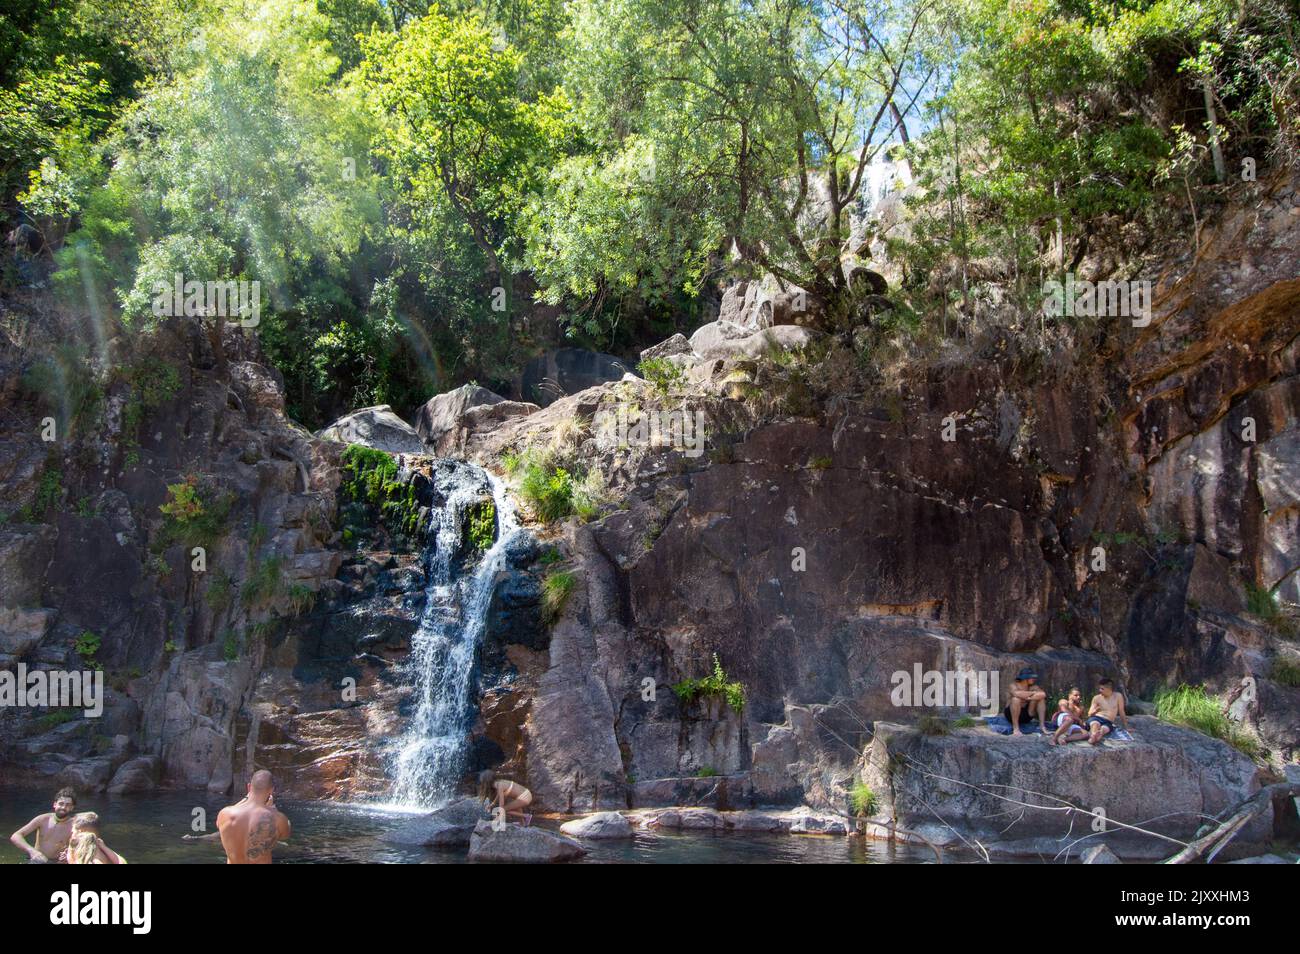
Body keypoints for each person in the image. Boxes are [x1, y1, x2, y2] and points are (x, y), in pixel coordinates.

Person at [216, 770, 291, 864]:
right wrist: (272, 809)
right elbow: (285, 835)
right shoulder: (278, 818)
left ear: (249, 787)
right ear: (271, 790)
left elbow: (220, 823)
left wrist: (245, 799)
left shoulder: (224, 813)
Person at [9, 787, 77, 863]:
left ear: (72, 808)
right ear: (54, 804)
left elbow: (83, 847)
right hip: (37, 860)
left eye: (68, 805)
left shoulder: (75, 825)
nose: (63, 807)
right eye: (61, 804)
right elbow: (15, 836)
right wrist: (32, 851)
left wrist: (69, 854)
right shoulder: (43, 819)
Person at [1003, 668, 1048, 735]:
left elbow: (1043, 694)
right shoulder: (1013, 685)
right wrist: (1033, 693)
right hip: (1011, 715)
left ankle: (1042, 726)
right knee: (1016, 699)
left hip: (1027, 715)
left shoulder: (1033, 687)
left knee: (1041, 699)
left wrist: (1027, 698)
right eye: (1031, 677)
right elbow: (1016, 693)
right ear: (1025, 678)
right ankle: (1016, 728)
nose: (1034, 679)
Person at [1086, 677, 1129, 745]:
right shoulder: (1097, 698)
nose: (1100, 690)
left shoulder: (1118, 696)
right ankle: (1093, 736)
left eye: (1102, 689)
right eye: (1099, 688)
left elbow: (1121, 711)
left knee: (1103, 730)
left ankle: (1096, 736)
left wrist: (1126, 726)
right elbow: (1089, 714)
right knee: (1095, 724)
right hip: (1096, 718)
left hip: (1108, 721)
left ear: (1109, 689)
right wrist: (1095, 711)